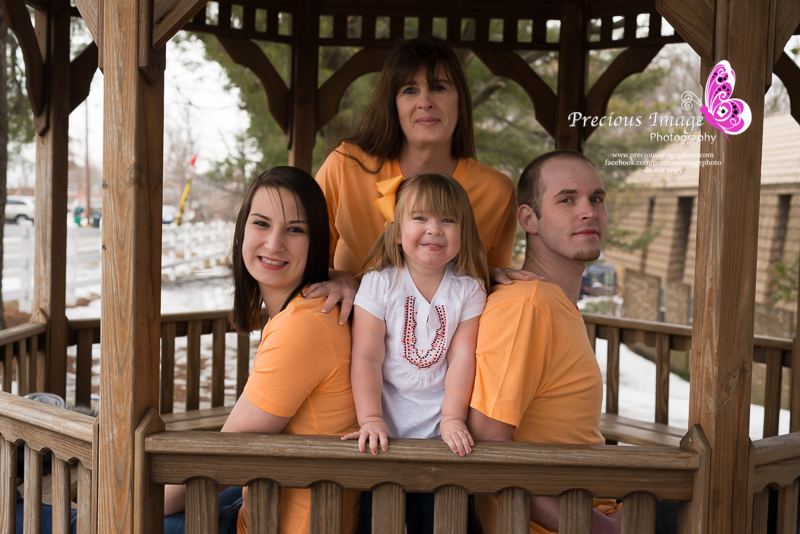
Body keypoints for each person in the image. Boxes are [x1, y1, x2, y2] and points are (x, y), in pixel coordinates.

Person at [163, 167, 361, 534]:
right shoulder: (305, 311)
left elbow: (224, 461)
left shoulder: (304, 325)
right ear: (242, 232)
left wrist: (131, 497)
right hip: (266, 502)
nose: (273, 244)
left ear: (317, 242)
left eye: (295, 229)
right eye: (261, 223)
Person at [310, 36, 538, 323]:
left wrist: (487, 276)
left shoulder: (497, 192)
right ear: (392, 104)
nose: (425, 102)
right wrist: (339, 277)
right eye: (409, 90)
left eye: (439, 87)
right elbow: (303, 260)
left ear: (460, 100)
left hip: (446, 356)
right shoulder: (345, 167)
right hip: (345, 333)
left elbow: (487, 291)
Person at [466, 150, 622, 534]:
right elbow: (489, 453)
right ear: (528, 219)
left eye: (596, 199)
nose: (588, 211)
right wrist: (610, 531)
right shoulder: (527, 306)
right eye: (567, 199)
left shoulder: (553, 303)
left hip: (600, 509)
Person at [342, 173, 489, 533]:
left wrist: (453, 418)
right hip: (386, 437)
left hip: (442, 439)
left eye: (448, 220)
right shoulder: (380, 282)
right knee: (381, 520)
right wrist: (371, 418)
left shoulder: (468, 290)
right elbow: (366, 357)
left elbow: (462, 358)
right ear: (396, 230)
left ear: (463, 232)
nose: (434, 229)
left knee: (442, 520)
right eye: (420, 218)